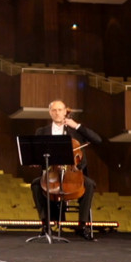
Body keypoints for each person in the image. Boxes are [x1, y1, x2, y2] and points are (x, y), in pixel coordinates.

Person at [30, 99, 102, 241]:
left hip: (73, 173)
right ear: (50, 113)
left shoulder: (76, 131)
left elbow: (97, 140)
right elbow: (36, 153)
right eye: (54, 110)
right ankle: (45, 225)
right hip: (51, 174)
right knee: (36, 184)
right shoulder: (41, 131)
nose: (57, 113)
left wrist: (77, 125)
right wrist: (36, 160)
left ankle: (82, 226)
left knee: (89, 184)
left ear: (65, 112)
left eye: (60, 110)